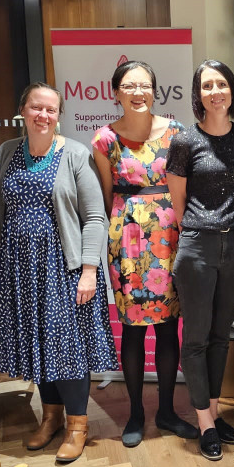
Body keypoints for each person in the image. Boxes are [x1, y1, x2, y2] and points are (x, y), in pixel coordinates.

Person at [0, 83, 115, 463]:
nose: (43, 115)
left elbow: (94, 217)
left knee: (66, 346)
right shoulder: (7, 152)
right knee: (39, 343)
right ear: (22, 110)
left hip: (64, 266)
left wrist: (89, 269)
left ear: (59, 115)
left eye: (51, 110)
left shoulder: (74, 154)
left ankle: (78, 425)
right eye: (35, 108)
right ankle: (51, 416)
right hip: (19, 265)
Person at [92, 60, 197, 447]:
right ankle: (136, 412)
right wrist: (123, 232)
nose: (138, 93)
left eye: (145, 85)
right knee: (133, 330)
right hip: (128, 242)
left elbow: (185, 189)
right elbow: (106, 197)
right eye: (130, 86)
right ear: (116, 92)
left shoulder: (178, 133)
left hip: (171, 236)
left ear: (155, 91)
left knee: (170, 325)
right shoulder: (104, 140)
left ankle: (167, 411)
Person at [167, 60, 234, 461]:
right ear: (198, 94)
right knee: (197, 337)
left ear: (231, 90)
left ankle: (215, 414)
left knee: (222, 337)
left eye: (222, 83)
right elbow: (179, 203)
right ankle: (205, 422)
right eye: (207, 85)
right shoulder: (184, 142)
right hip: (198, 245)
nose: (215, 91)